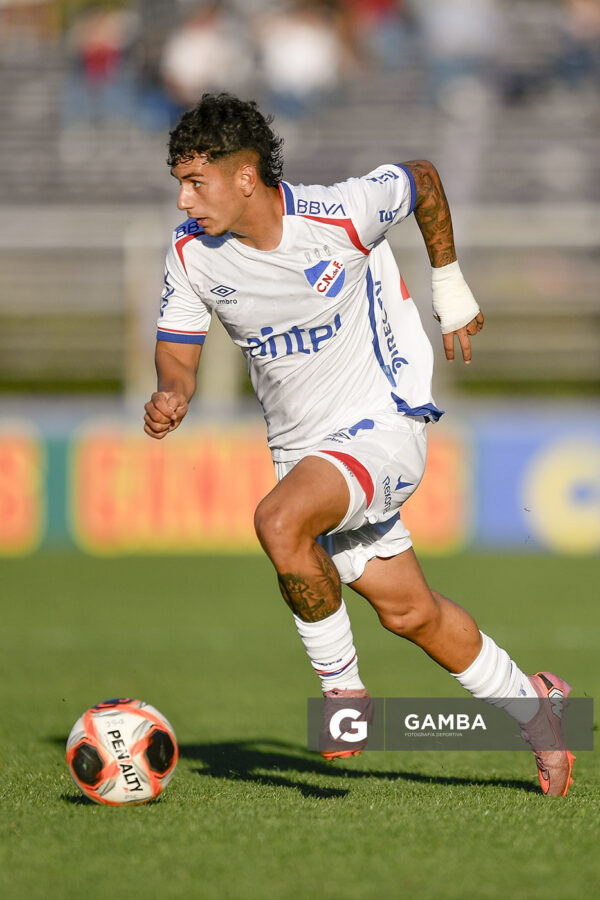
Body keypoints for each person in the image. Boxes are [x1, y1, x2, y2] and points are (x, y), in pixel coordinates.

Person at [143, 93, 574, 796]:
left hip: (384, 424)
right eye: (180, 186)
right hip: (306, 453)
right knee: (412, 613)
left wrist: (451, 284)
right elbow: (178, 351)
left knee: (279, 521)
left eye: (197, 182)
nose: (185, 201)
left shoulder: (338, 212)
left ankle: (345, 696)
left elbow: (423, 180)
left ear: (245, 175)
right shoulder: (193, 256)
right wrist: (173, 393)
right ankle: (540, 714)